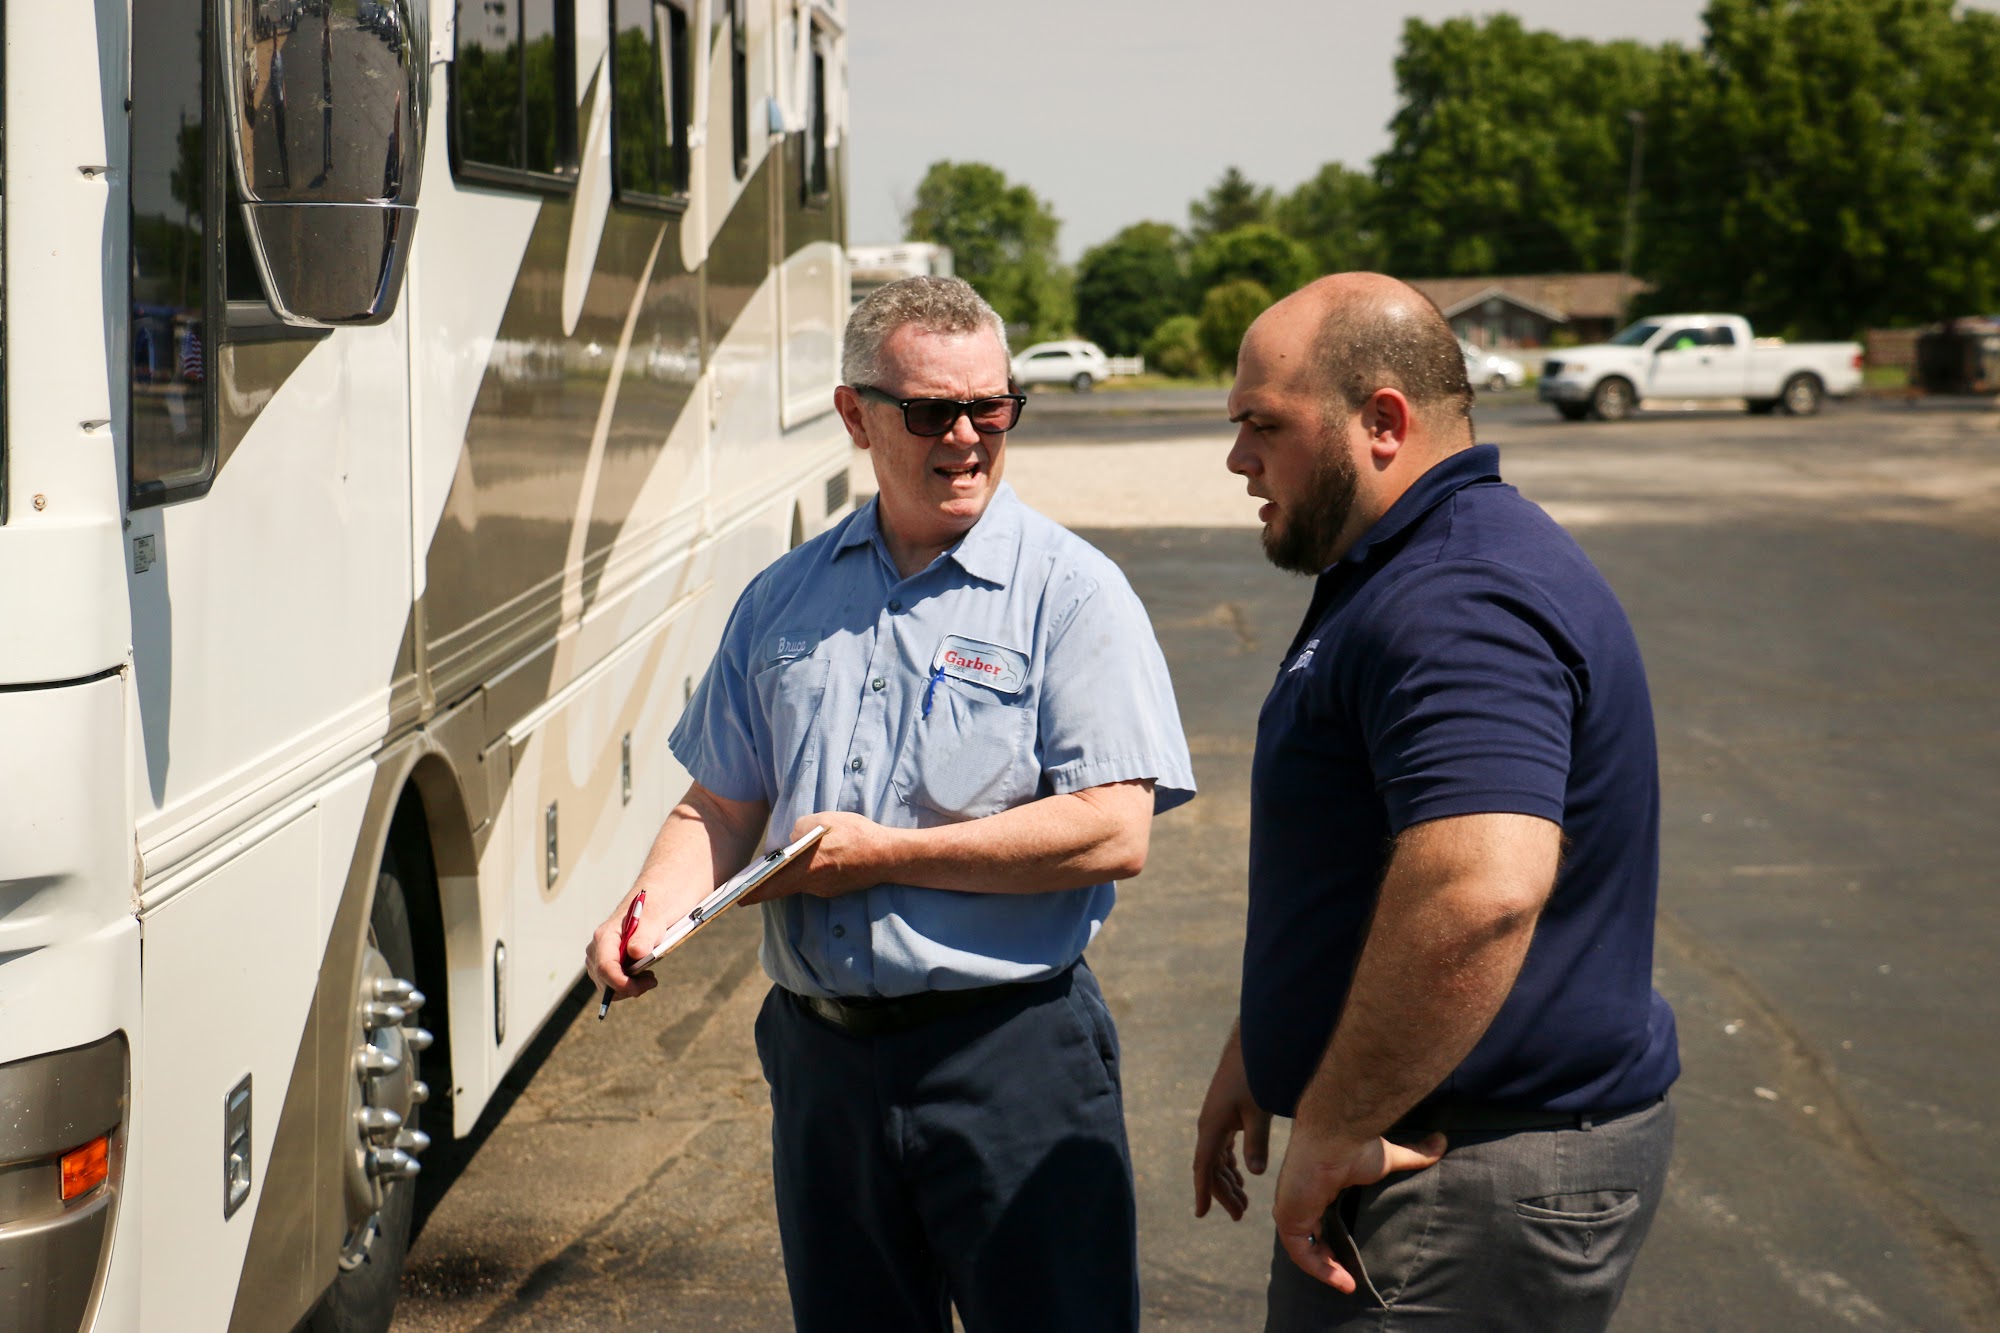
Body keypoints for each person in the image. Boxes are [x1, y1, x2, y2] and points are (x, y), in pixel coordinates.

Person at [588, 275, 1194, 1333]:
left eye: (990, 406)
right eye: (930, 412)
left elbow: (1113, 828)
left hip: (1012, 1058)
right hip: (822, 1067)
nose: (966, 437)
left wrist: (885, 855)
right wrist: (643, 912)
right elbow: (718, 806)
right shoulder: (782, 599)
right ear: (854, 415)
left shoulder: (1072, 591)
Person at [1192, 273, 1679, 1331]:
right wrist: (1262, 1039)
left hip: (1454, 1174)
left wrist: (1332, 1120)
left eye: (1262, 425)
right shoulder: (1408, 561)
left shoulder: (1456, 596)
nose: (1238, 460)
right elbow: (1367, 858)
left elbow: (1478, 892)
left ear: (1382, 421)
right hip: (1442, 1149)